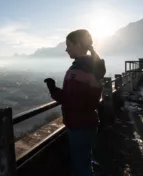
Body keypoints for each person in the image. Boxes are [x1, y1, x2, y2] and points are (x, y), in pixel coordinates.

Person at [44, 29, 106, 176]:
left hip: (79, 125)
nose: (66, 49)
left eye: (68, 45)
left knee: (80, 166)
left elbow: (73, 101)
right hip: (90, 122)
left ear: (78, 45)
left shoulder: (77, 71)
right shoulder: (92, 66)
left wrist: (53, 90)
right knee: (85, 159)